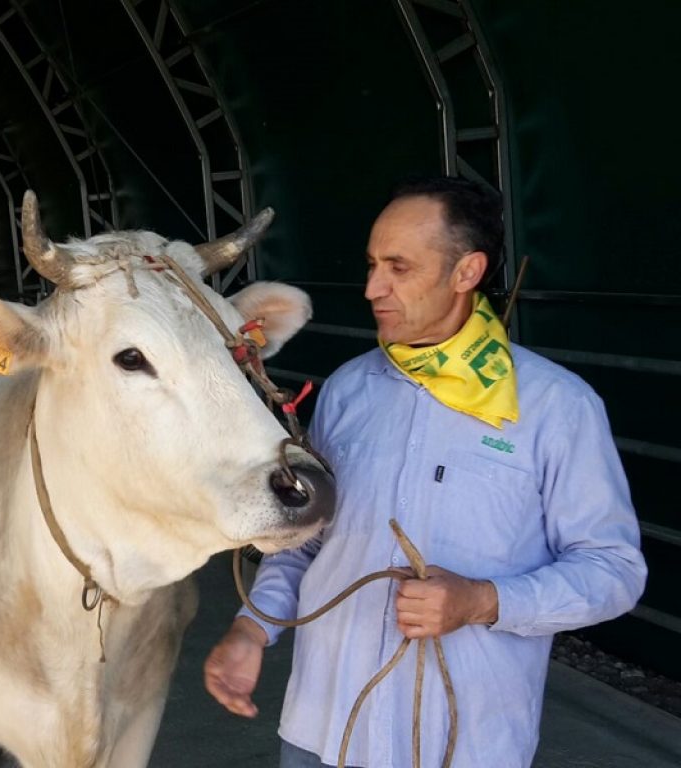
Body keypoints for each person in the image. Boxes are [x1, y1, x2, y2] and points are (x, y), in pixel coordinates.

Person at [203, 176, 647, 768]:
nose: (372, 289)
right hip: (323, 732)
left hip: (462, 745)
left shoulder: (556, 407)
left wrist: (483, 601)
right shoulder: (348, 391)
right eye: (371, 265)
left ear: (466, 272)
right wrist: (252, 630)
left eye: (399, 267)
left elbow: (613, 571)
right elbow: (306, 543)